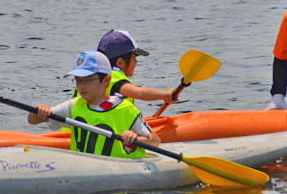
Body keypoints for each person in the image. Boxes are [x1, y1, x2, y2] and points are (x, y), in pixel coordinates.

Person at [28, 51, 161, 158]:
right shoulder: (75, 105)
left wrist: (135, 139)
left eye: (88, 81)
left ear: (106, 80)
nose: (82, 87)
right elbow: (33, 120)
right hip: (83, 171)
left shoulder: (126, 109)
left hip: (117, 173)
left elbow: (155, 141)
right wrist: (39, 110)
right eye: (78, 81)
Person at [95, 30, 178, 105]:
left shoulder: (96, 75)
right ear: (120, 62)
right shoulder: (112, 77)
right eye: (134, 57)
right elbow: (140, 93)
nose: (136, 62)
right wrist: (166, 95)